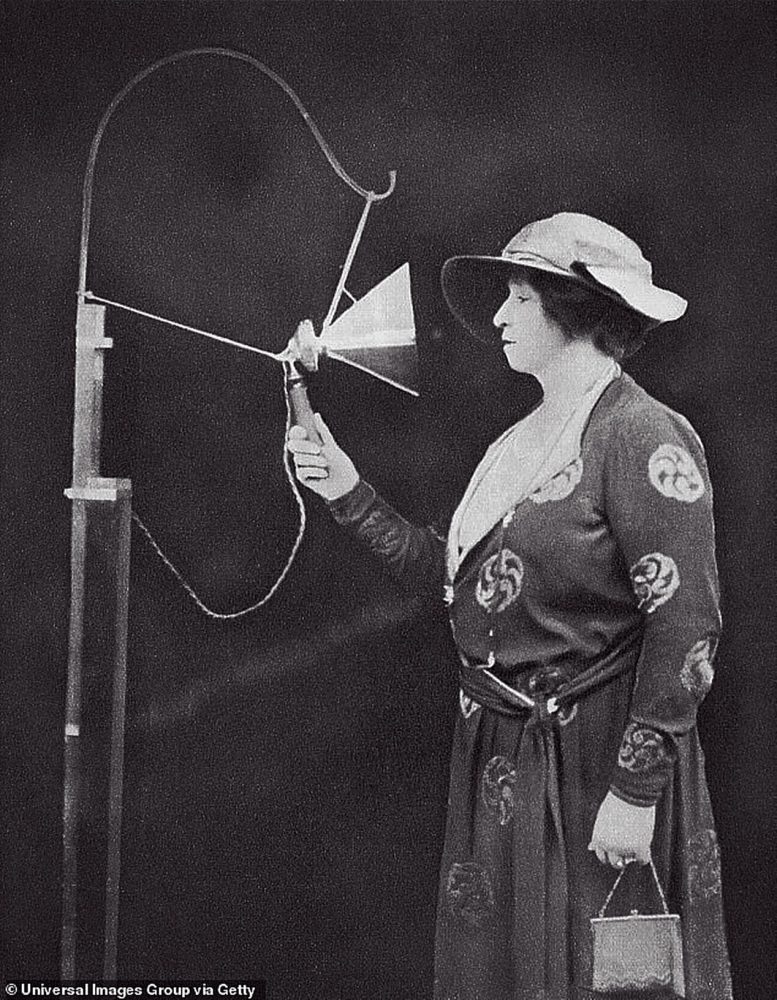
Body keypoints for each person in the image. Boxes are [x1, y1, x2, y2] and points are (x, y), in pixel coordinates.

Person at [287, 213, 732, 1000]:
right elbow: (455, 585)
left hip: (594, 766)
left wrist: (633, 794)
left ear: (574, 307)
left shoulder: (640, 434)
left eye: (519, 298)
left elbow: (686, 625)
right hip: (500, 760)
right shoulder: (513, 443)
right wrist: (347, 493)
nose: (497, 315)